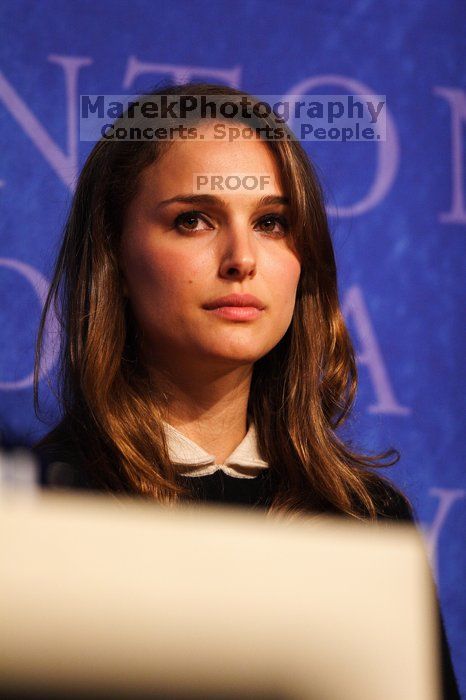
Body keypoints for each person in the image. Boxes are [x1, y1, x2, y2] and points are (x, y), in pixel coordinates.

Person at [32, 83, 460, 698]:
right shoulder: (38, 514)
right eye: (193, 220)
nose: (242, 258)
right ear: (116, 258)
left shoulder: (368, 521)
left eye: (271, 223)